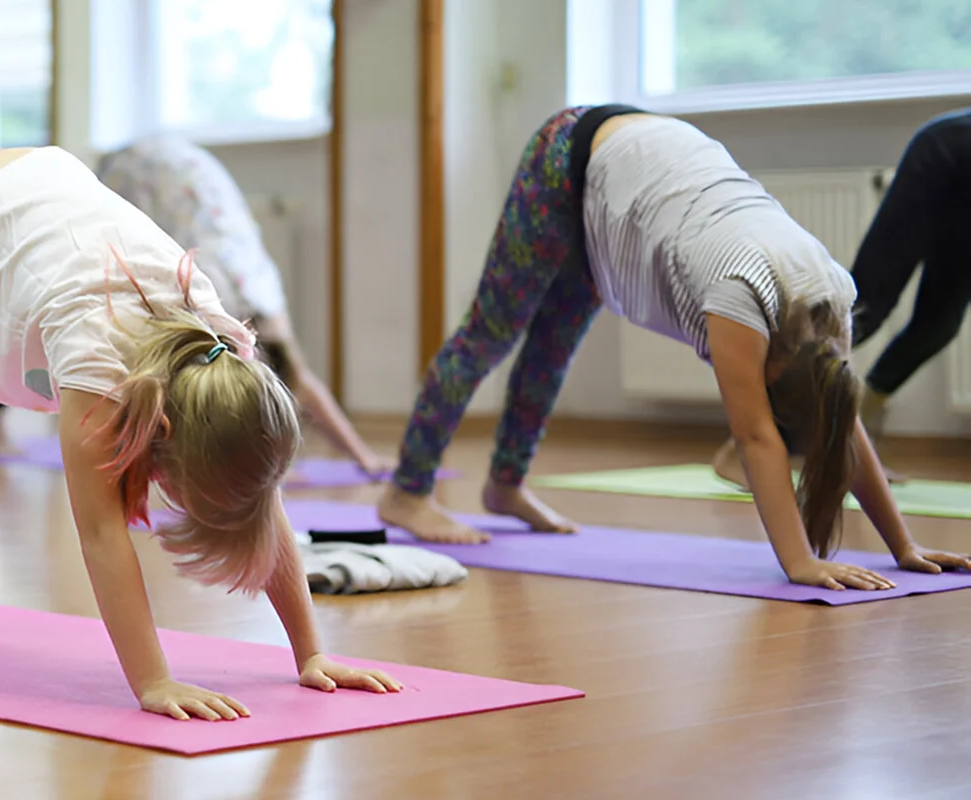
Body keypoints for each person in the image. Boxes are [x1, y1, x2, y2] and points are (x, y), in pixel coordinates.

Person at [0, 147, 402, 721]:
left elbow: (262, 498)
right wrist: (153, 680)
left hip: (23, 225)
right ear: (160, 436)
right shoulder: (97, 363)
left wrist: (310, 654)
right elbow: (101, 533)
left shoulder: (224, 361)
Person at [378, 105, 971, 591]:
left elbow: (842, 419)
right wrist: (799, 562)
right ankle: (407, 491)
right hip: (568, 158)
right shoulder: (738, 295)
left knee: (554, 344)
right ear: (771, 376)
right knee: (491, 332)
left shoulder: (834, 297)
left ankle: (504, 487)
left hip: (635, 181)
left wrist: (904, 546)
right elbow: (756, 438)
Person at [98, 134, 390, 478]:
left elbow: (302, 383)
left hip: (184, 173)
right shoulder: (215, 298)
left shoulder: (263, 304)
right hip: (147, 170)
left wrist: (364, 456)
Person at [717, 108, 971, 484]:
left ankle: (849, 447)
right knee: (864, 308)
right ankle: (745, 441)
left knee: (937, 327)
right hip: (943, 155)